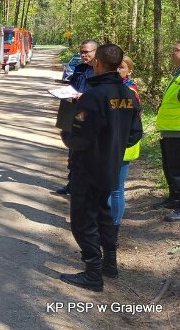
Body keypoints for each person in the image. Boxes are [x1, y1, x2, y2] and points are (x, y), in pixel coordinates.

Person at [59, 43, 142, 292]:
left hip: (87, 167)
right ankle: (110, 264)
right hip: (111, 165)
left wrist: (66, 133)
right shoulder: (128, 95)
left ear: (98, 63)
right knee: (104, 215)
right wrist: (113, 145)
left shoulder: (93, 97)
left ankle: (93, 274)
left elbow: (80, 138)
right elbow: (135, 133)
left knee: (83, 220)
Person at [56, 39, 98, 195]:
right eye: (81, 52)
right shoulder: (79, 68)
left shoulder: (100, 71)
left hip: (89, 115)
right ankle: (71, 183)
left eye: (86, 52)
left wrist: (84, 96)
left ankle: (85, 186)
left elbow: (100, 95)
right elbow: (72, 86)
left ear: (95, 52)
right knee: (72, 150)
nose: (83, 55)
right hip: (74, 112)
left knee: (86, 152)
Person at [108, 56, 141, 226]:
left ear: (129, 71)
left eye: (122, 67)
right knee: (107, 186)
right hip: (111, 145)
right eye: (115, 67)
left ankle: (114, 225)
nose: (118, 70)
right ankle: (105, 222)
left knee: (117, 188)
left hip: (125, 146)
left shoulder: (130, 91)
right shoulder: (113, 88)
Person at [155, 41, 180, 222]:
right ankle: (174, 198)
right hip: (169, 130)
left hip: (178, 131)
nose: (173, 53)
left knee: (178, 170)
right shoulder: (177, 74)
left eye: (176, 50)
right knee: (170, 168)